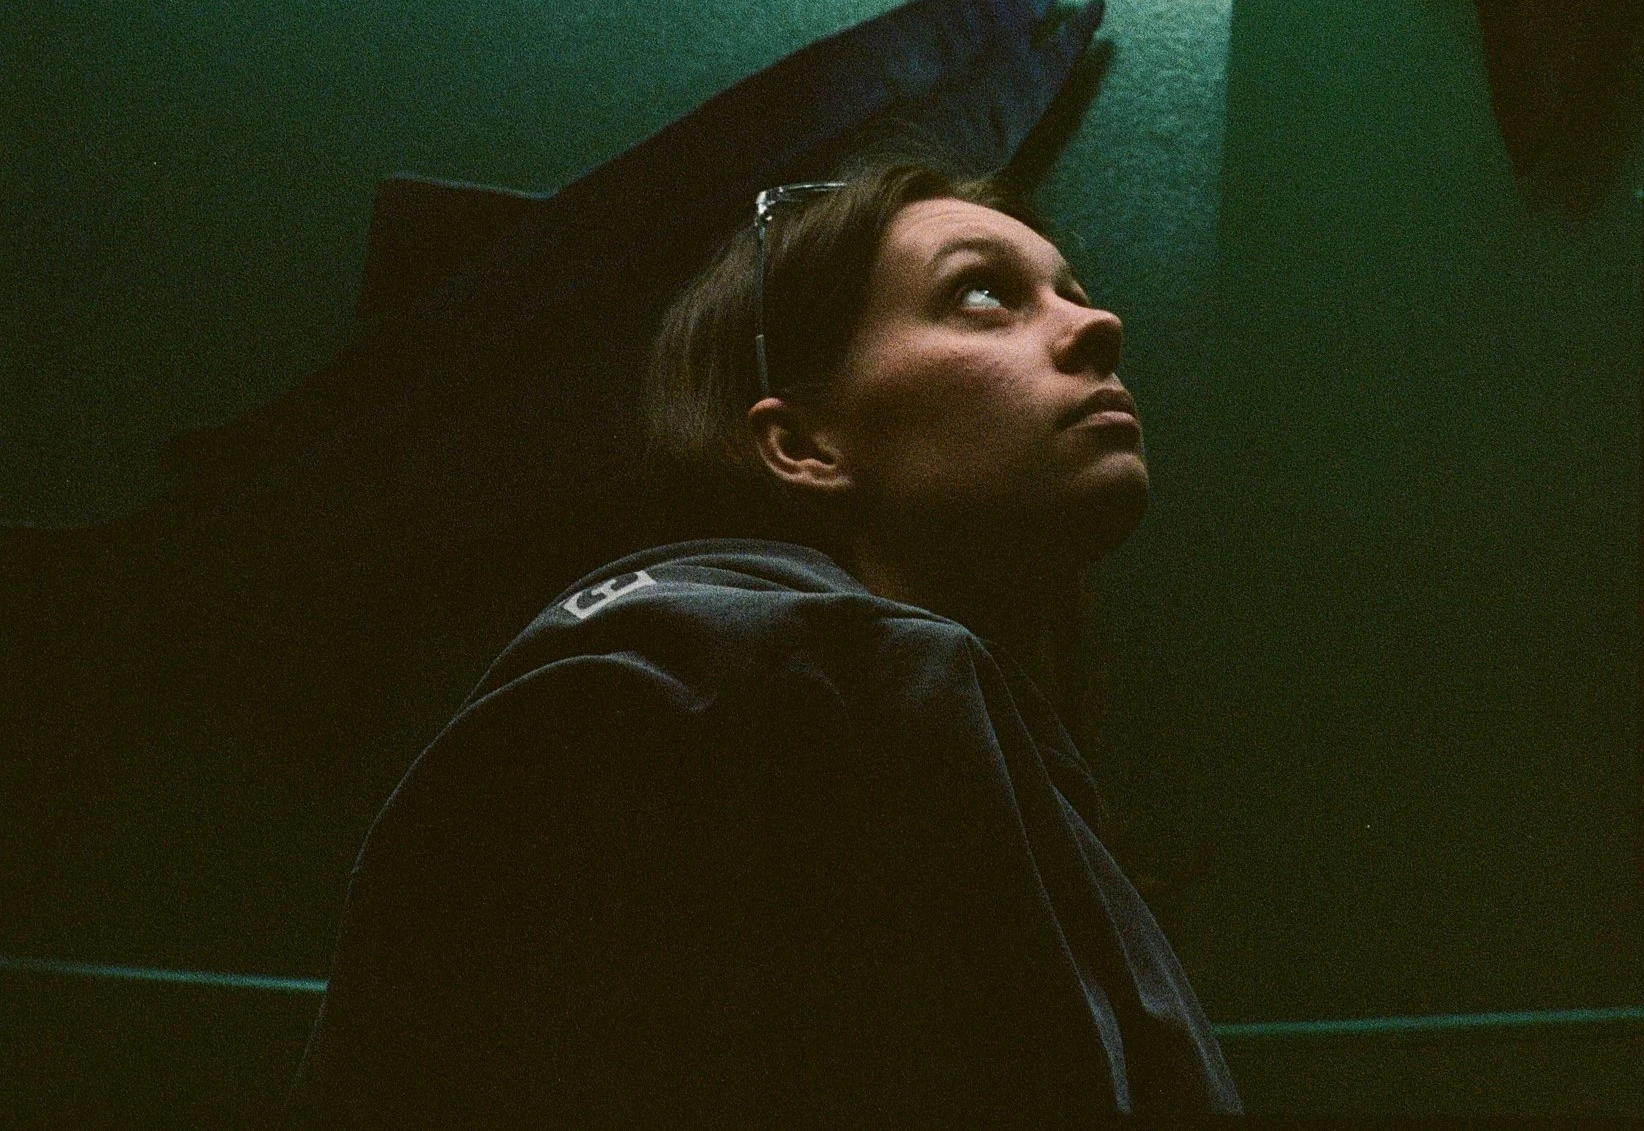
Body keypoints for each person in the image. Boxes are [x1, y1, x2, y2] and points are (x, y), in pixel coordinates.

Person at [287, 157, 1241, 1127]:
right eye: (981, 293)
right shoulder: (676, 709)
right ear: (805, 444)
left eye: (1071, 291)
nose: (1097, 324)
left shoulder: (965, 754)